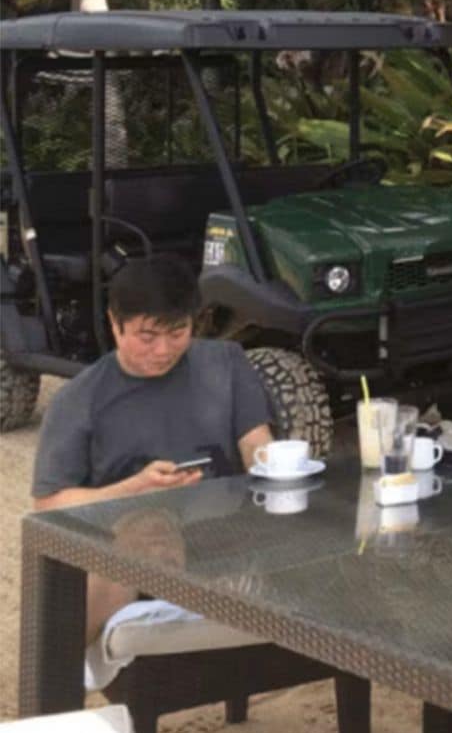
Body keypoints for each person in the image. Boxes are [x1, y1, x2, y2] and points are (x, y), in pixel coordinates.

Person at [31, 255, 274, 643]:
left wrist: (274, 471)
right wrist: (134, 489)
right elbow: (48, 504)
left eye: (178, 332)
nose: (163, 350)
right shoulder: (79, 400)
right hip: (127, 551)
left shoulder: (225, 365)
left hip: (222, 535)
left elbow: (256, 444)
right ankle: (73, 666)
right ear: (115, 324)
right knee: (136, 536)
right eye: (147, 337)